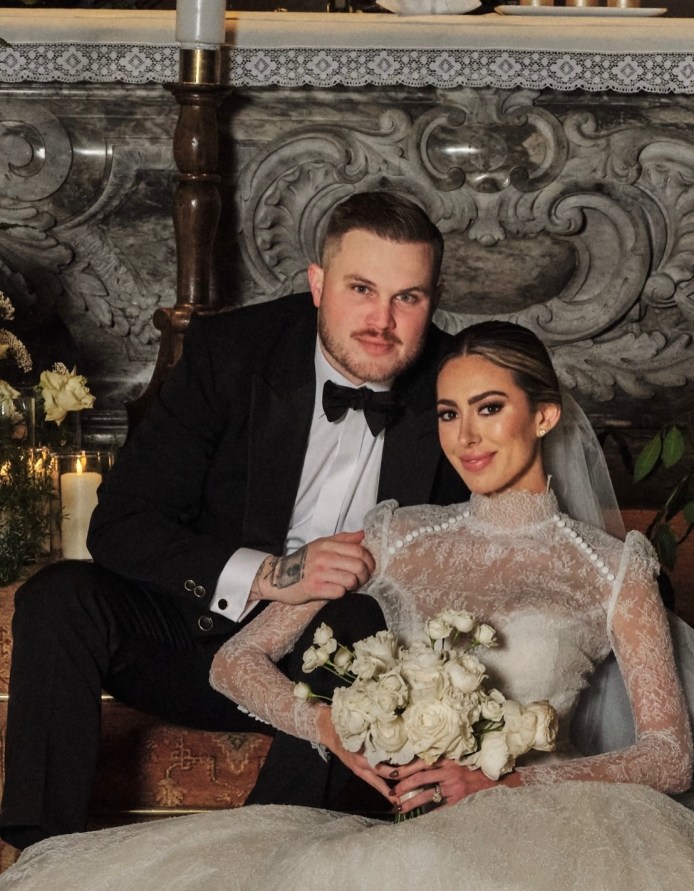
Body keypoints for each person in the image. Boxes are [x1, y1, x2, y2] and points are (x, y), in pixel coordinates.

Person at [2, 322, 694, 891]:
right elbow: (237, 661)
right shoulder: (394, 535)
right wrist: (327, 726)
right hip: (400, 822)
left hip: (552, 827)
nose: (464, 436)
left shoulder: (613, 567)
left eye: (488, 408)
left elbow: (668, 753)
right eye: (446, 413)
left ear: (544, 416)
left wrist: (508, 783)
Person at [0, 190, 468, 856]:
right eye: (361, 288)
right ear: (316, 282)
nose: (381, 320)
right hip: (196, 640)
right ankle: (38, 859)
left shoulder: (456, 387)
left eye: (408, 298)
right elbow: (122, 524)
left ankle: (257, 870)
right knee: (60, 598)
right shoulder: (233, 353)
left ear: (433, 301)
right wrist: (273, 574)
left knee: (362, 621)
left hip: (329, 671)